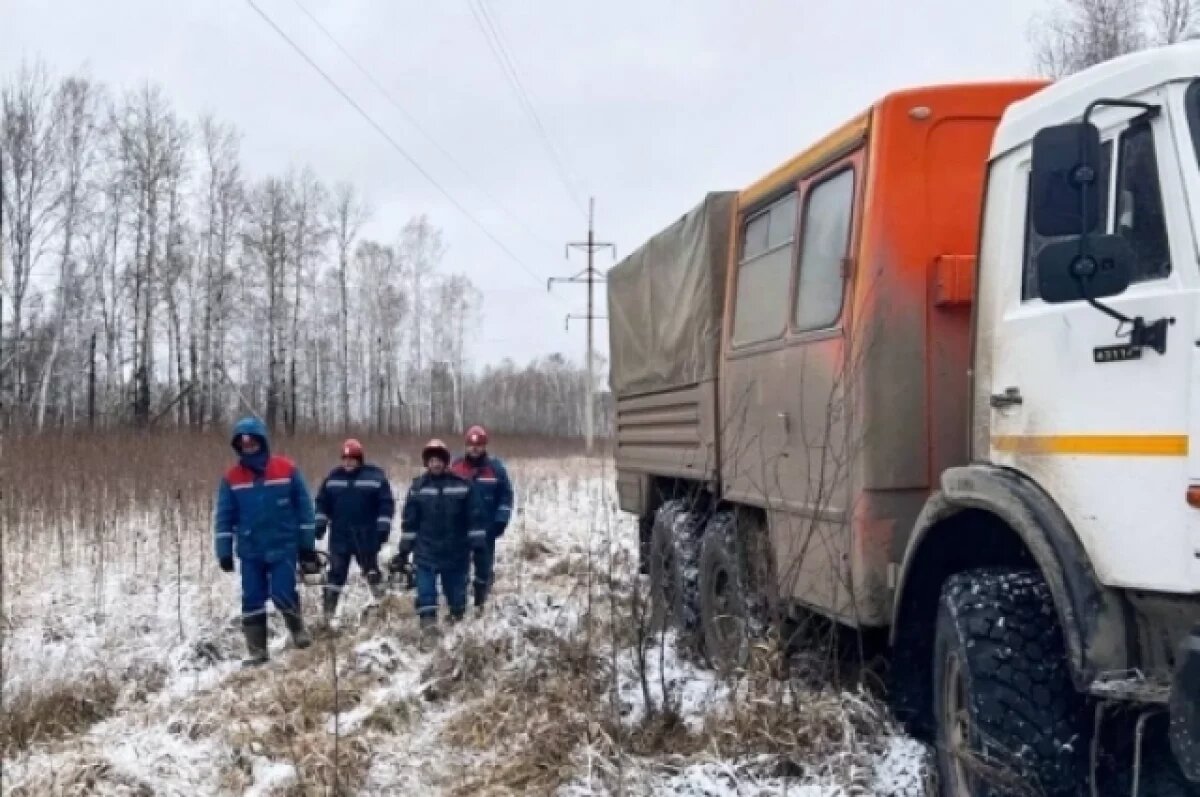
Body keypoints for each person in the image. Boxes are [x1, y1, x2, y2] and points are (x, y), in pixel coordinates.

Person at [213, 416, 318, 666]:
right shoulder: (231, 479)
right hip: (251, 550)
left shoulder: (287, 469)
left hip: (283, 546)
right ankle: (258, 652)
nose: (248, 448)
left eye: (252, 443)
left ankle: (298, 631)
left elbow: (305, 509)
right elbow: (224, 517)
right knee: (252, 598)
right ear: (238, 447)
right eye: (243, 444)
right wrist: (223, 551)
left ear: (262, 442)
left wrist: (306, 545)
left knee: (282, 593)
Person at [393, 439, 486, 631]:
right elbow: (410, 522)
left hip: (456, 552)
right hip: (426, 551)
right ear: (426, 463)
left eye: (439, 460)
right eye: (431, 460)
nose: (435, 464)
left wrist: (478, 545)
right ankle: (429, 630)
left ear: (445, 462)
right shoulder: (417, 488)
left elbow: (474, 517)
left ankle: (456, 628)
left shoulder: (463, 486)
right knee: (426, 593)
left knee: (457, 599)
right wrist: (403, 551)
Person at [314, 438, 396, 622]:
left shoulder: (374, 477)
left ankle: (384, 608)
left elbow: (386, 504)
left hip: (365, 535)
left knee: (372, 572)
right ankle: (327, 616)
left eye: (352, 459)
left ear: (359, 459)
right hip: (339, 536)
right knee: (335, 575)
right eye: (345, 458)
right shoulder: (333, 478)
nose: (348, 462)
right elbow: (321, 502)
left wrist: (383, 527)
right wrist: (319, 522)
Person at [451, 425, 514, 614]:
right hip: (459, 529)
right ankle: (458, 606)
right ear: (466, 445)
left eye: (479, 445)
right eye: (471, 444)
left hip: (487, 528)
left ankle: (480, 602)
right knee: (458, 567)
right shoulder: (455, 467)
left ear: (485, 446)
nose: (474, 448)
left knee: (483, 568)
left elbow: (505, 496)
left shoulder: (496, 469)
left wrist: (501, 520)